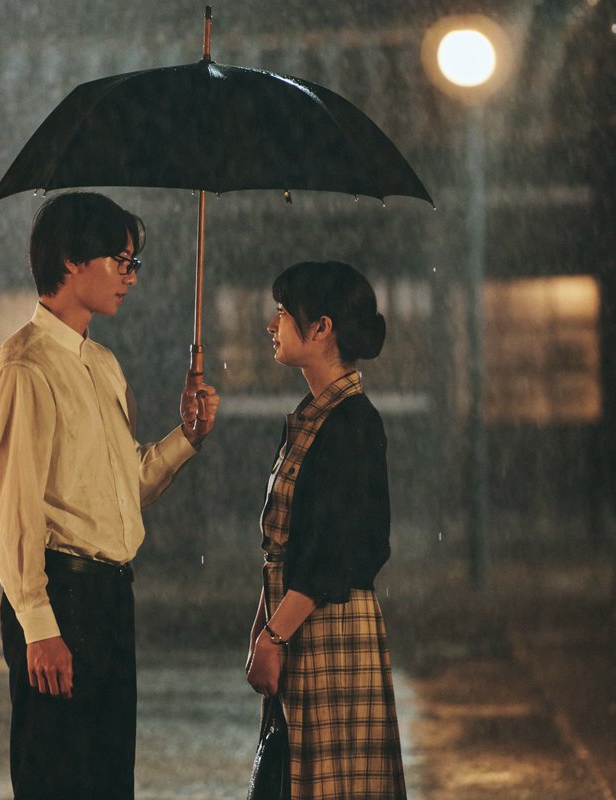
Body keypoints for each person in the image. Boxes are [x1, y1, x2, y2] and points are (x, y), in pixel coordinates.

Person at [0, 191, 219, 799]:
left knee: (108, 780)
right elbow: (15, 510)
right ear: (71, 260)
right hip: (61, 592)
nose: (131, 277)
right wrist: (38, 624)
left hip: (110, 597)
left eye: (134, 262)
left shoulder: (103, 364)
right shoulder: (25, 368)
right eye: (120, 260)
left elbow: (124, 486)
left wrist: (186, 437)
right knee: (57, 778)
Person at [245, 260, 406, 799]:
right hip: (300, 625)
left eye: (283, 313)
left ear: (321, 328)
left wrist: (273, 635)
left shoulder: (351, 423)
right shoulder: (311, 417)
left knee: (328, 785)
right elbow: (284, 546)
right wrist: (264, 626)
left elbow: (330, 556)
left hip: (331, 630)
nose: (272, 325)